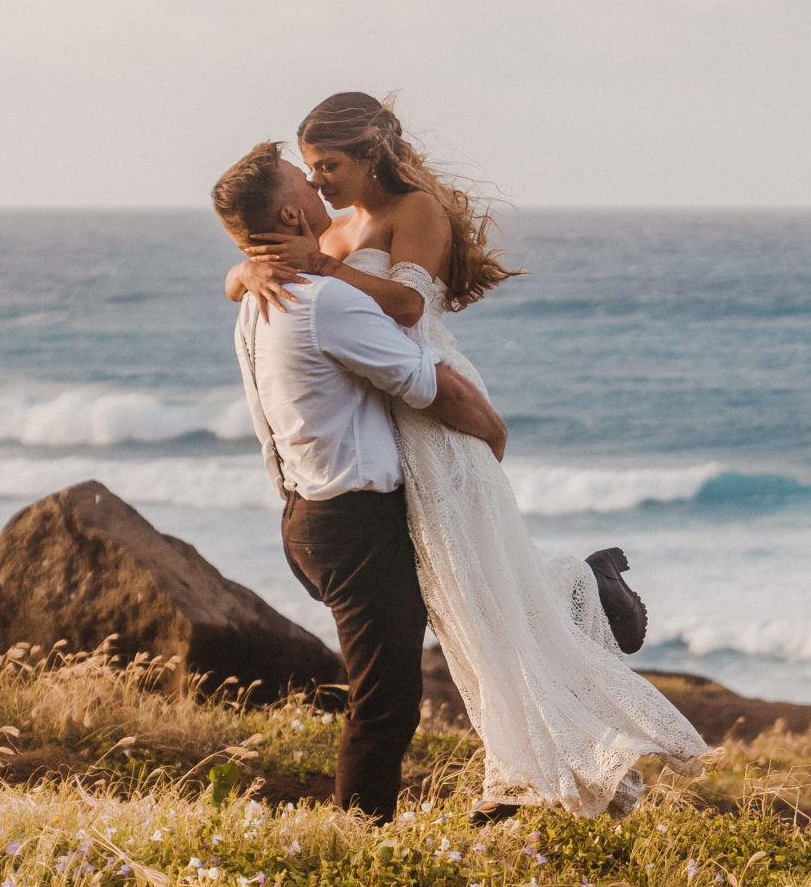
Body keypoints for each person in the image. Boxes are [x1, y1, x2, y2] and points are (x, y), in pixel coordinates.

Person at [227, 93, 706, 821]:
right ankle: (581, 597)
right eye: (311, 170)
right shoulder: (336, 228)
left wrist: (319, 271)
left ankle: (523, 766)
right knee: (465, 601)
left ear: (370, 153)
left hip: (435, 409)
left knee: (480, 586)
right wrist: (249, 273)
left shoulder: (414, 210)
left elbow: (409, 308)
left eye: (328, 165)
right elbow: (264, 275)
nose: (318, 180)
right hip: (397, 417)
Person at [212, 141, 509, 822]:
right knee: (385, 701)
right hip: (355, 522)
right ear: (290, 211)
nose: (318, 188)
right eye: (304, 182)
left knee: (471, 610)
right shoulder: (321, 301)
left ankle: (583, 612)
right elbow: (423, 380)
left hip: (305, 516)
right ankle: (357, 839)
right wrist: (492, 429)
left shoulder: (256, 302)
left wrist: (241, 271)